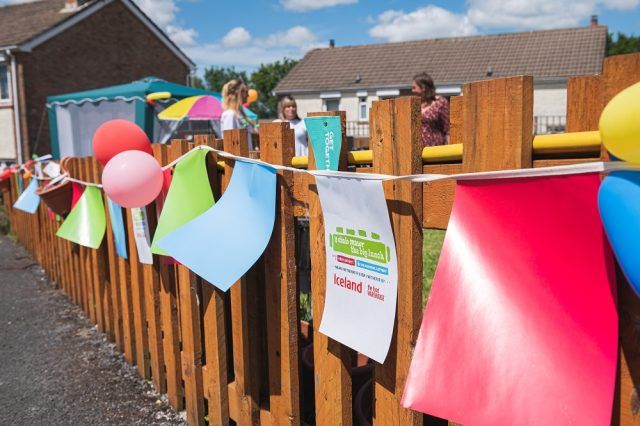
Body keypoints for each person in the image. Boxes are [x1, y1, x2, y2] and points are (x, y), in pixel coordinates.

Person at [411, 72, 450, 147]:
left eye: (414, 87)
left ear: (423, 88)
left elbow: (448, 129)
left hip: (436, 151)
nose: (412, 91)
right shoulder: (413, 105)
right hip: (416, 152)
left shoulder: (440, 103)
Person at [221, 79, 253, 149]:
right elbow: (230, 143)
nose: (248, 95)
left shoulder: (239, 114)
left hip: (245, 157)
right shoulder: (230, 115)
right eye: (246, 92)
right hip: (238, 159)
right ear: (238, 93)